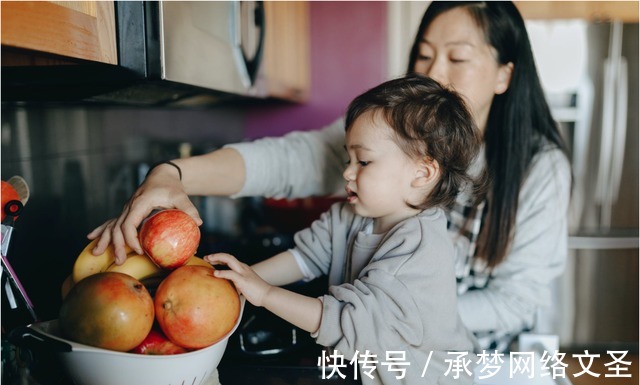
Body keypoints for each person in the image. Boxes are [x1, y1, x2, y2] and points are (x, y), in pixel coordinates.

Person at [89, 1, 571, 353]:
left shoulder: (537, 169)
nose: (435, 73)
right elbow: (290, 169)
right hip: (365, 344)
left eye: (458, 58)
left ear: (505, 74)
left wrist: (408, 317)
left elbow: (514, 300)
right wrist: (173, 175)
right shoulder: (376, 159)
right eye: (424, 55)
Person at [207, 74, 482, 384]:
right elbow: (307, 257)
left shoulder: (418, 250)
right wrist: (243, 283)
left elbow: (345, 321)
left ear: (422, 172)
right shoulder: (351, 215)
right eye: (349, 157)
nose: (348, 172)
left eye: (363, 161)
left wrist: (265, 294)